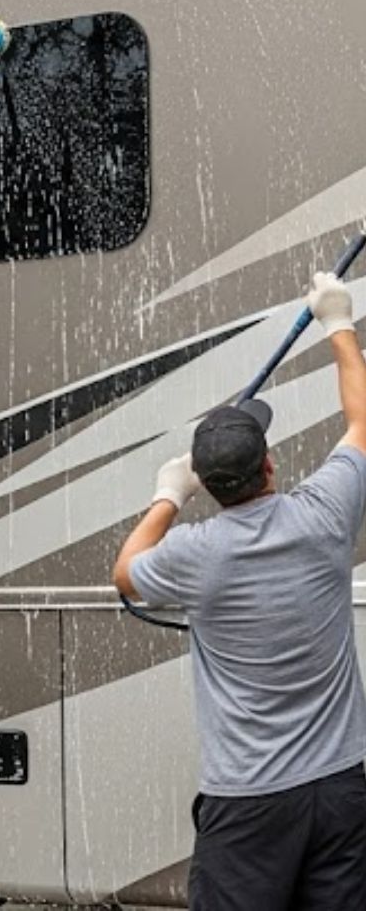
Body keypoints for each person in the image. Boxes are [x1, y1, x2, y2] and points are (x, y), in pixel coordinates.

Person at [113, 271, 366, 908]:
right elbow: (362, 421)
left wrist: (168, 496)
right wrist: (338, 323)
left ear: (208, 484)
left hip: (250, 801)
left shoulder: (194, 556)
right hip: (340, 789)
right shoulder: (324, 514)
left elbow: (126, 572)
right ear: (270, 465)